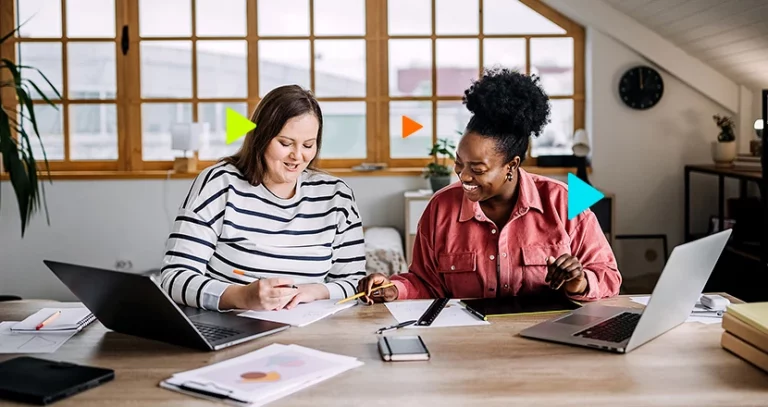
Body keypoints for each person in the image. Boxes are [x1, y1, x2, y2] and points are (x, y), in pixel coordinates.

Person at [358, 68, 621, 303]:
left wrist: (580, 282)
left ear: (511, 165)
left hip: (548, 344)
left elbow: (609, 277)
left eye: (478, 169)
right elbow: (426, 283)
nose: (464, 176)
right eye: (459, 163)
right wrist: (395, 288)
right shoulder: (441, 207)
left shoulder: (563, 202)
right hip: (467, 342)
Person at [160, 85, 366, 312]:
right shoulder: (220, 183)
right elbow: (174, 277)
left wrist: (315, 290)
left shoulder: (337, 197)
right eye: (285, 143)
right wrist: (240, 296)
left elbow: (355, 284)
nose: (297, 156)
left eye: (308, 145)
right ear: (262, 137)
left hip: (310, 331)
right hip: (231, 328)